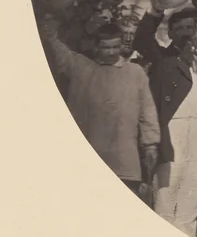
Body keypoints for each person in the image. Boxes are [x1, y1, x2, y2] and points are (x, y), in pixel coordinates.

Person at [39, 16, 161, 200]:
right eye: (106, 47)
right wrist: (49, 31)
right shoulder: (80, 67)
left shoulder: (135, 73)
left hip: (125, 163)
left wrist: (151, 145)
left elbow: (147, 113)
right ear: (96, 47)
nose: (112, 52)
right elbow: (56, 49)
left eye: (115, 46)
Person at [131, 6, 197, 237]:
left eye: (190, 29)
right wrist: (155, 11)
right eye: (180, 29)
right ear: (171, 34)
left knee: (190, 197)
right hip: (171, 132)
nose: (186, 33)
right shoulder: (163, 60)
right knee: (166, 194)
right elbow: (142, 39)